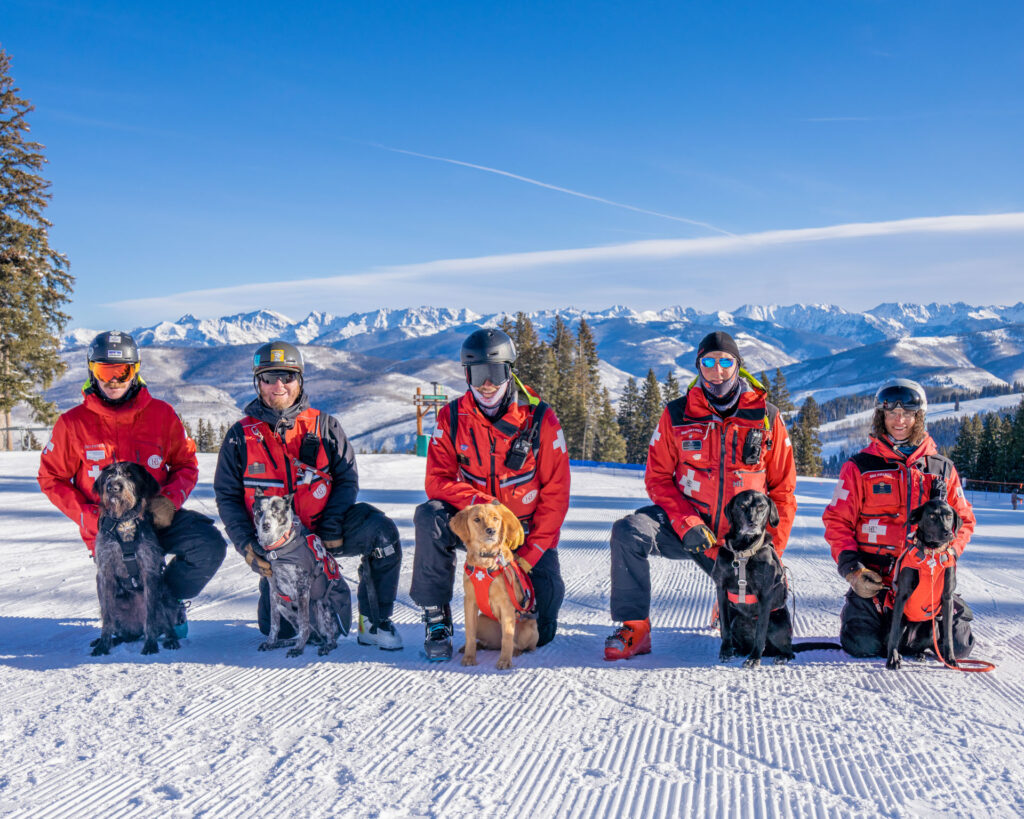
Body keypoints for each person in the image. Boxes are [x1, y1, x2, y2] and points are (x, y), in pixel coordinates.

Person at [604, 331, 797, 660]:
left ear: (738, 366)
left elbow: (783, 490)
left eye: (726, 362)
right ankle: (635, 627)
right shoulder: (677, 415)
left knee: (751, 642)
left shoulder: (766, 417)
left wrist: (771, 551)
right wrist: (686, 522)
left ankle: (729, 599)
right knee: (628, 531)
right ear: (698, 366)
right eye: (709, 362)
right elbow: (659, 477)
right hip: (690, 531)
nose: (718, 370)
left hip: (743, 542)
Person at [214, 340, 403, 649]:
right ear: (257, 382)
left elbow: (347, 480)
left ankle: (375, 621)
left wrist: (331, 522)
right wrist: (247, 546)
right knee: (282, 631)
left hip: (326, 529)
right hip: (280, 547)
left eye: (287, 376)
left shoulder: (325, 426)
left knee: (381, 533)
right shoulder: (240, 437)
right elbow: (227, 497)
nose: (278, 385)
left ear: (299, 380)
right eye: (268, 377)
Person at [38, 331, 227, 635]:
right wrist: (89, 516)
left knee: (208, 545)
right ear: (91, 371)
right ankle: (132, 608)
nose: (113, 381)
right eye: (104, 371)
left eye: (122, 372)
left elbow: (186, 464)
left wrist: (169, 501)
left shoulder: (161, 415)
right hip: (108, 528)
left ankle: (168, 600)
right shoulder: (72, 424)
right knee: (129, 627)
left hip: (154, 520)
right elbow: (51, 477)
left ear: (135, 371)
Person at [410, 328, 570, 661]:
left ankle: (501, 613)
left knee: (542, 632)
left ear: (509, 371)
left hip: (521, 533)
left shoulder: (540, 420)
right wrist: (479, 505)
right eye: (478, 374)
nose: (486, 384)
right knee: (430, 516)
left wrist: (531, 554)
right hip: (476, 527)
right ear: (467, 375)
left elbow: (556, 494)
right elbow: (437, 480)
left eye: (495, 373)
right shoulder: (452, 418)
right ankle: (437, 618)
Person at [822, 378, 976, 658]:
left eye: (907, 413)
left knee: (960, 647)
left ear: (920, 416)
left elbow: (964, 521)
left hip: (925, 583)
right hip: (877, 584)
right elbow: (837, 522)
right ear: (881, 416)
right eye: (891, 413)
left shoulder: (942, 469)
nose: (899, 420)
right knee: (863, 645)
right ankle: (866, 616)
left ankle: (941, 615)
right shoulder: (860, 467)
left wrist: (950, 552)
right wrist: (853, 569)